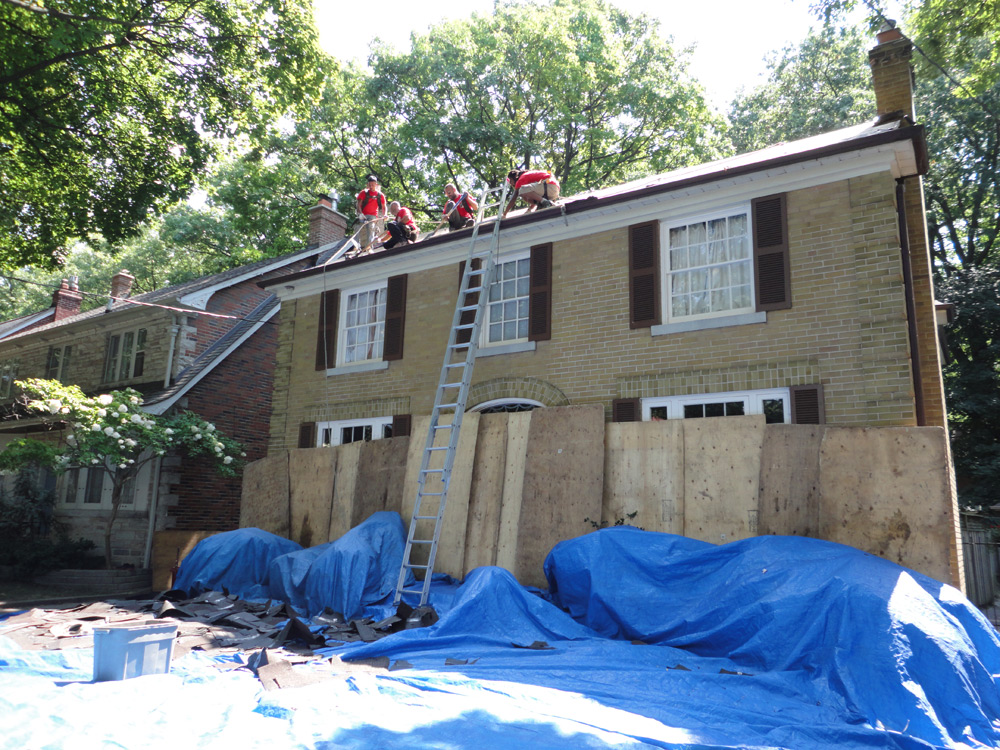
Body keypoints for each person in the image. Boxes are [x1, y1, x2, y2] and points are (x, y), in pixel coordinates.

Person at [355, 174, 387, 252]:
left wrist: (385, 214)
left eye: (373, 184)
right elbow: (358, 205)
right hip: (363, 215)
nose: (371, 186)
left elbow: (384, 207)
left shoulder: (380, 195)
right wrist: (360, 214)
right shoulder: (363, 193)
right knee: (358, 228)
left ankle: (369, 247)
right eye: (370, 184)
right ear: (368, 184)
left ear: (376, 184)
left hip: (373, 216)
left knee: (371, 228)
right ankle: (356, 247)